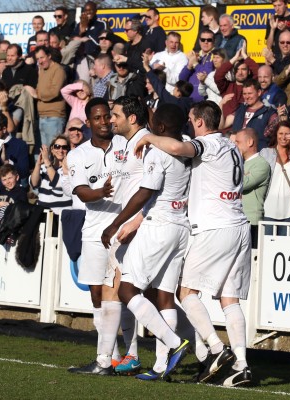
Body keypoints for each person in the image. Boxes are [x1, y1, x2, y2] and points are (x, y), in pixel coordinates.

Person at [134, 100, 253, 387]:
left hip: (216, 228)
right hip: (239, 226)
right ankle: (242, 365)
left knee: (185, 290)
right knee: (229, 298)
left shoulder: (209, 144)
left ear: (200, 121)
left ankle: (215, 349)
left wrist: (147, 136)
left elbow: (176, 148)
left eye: (191, 119)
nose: (189, 124)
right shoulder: (231, 146)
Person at [100, 103, 192, 380]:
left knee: (127, 290)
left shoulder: (158, 150)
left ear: (160, 128)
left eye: (154, 124)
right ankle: (162, 365)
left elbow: (145, 192)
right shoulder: (187, 145)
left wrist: (115, 223)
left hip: (159, 224)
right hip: (181, 227)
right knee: (164, 296)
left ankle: (175, 344)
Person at [66, 98, 124, 376]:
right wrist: (102, 192)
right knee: (97, 295)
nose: (103, 122)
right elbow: (80, 191)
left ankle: (127, 356)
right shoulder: (77, 155)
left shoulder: (126, 144)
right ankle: (110, 356)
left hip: (126, 230)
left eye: (107, 117)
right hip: (93, 233)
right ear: (88, 122)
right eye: (97, 118)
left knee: (127, 294)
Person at [259, 121, 290, 235]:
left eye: (287, 134)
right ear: (276, 134)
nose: (283, 137)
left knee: (286, 248)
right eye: (280, 133)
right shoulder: (266, 153)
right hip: (269, 209)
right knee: (268, 247)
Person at [234, 127, 270, 248]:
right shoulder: (241, 163)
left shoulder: (261, 163)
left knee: (251, 260)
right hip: (239, 220)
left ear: (250, 142)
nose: (234, 145)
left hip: (251, 221)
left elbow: (241, 184)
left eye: (238, 142)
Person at [225, 80, 276, 150]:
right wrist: (221, 104)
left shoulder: (269, 112)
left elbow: (273, 138)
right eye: (244, 94)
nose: (247, 97)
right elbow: (223, 125)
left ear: (259, 92)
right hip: (237, 153)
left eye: (250, 93)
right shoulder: (240, 109)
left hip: (257, 155)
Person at [30, 135, 72, 214]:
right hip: (42, 213)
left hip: (61, 215)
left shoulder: (70, 169)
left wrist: (46, 160)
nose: (60, 150)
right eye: (57, 146)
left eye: (64, 147)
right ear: (52, 150)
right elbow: (34, 184)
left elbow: (57, 183)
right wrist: (38, 164)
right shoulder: (43, 167)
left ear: (68, 150)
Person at [35, 46, 67, 145]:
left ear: (49, 56)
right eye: (37, 59)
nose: (40, 61)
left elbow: (54, 92)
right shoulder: (42, 70)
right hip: (43, 116)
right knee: (45, 152)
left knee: (54, 150)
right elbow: (40, 88)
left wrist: (37, 95)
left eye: (42, 57)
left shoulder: (58, 70)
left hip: (54, 116)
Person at [179, 29, 215, 102]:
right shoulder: (195, 56)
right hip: (189, 99)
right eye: (203, 40)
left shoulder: (216, 56)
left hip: (205, 100)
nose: (206, 42)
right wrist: (189, 65)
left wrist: (195, 64)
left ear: (214, 41)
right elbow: (181, 78)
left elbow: (207, 75)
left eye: (209, 40)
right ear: (199, 41)